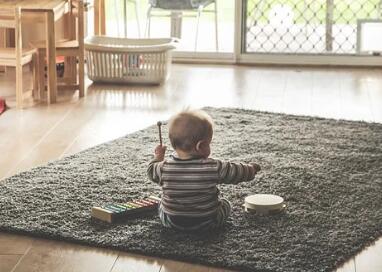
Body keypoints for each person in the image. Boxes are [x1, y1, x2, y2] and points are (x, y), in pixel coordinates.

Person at [147, 109, 261, 231]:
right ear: (200, 146)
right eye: (209, 144)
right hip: (207, 222)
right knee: (226, 203)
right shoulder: (213, 167)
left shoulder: (163, 168)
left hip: (172, 221)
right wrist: (251, 169)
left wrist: (158, 157)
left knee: (160, 204)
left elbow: (151, 171)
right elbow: (236, 172)